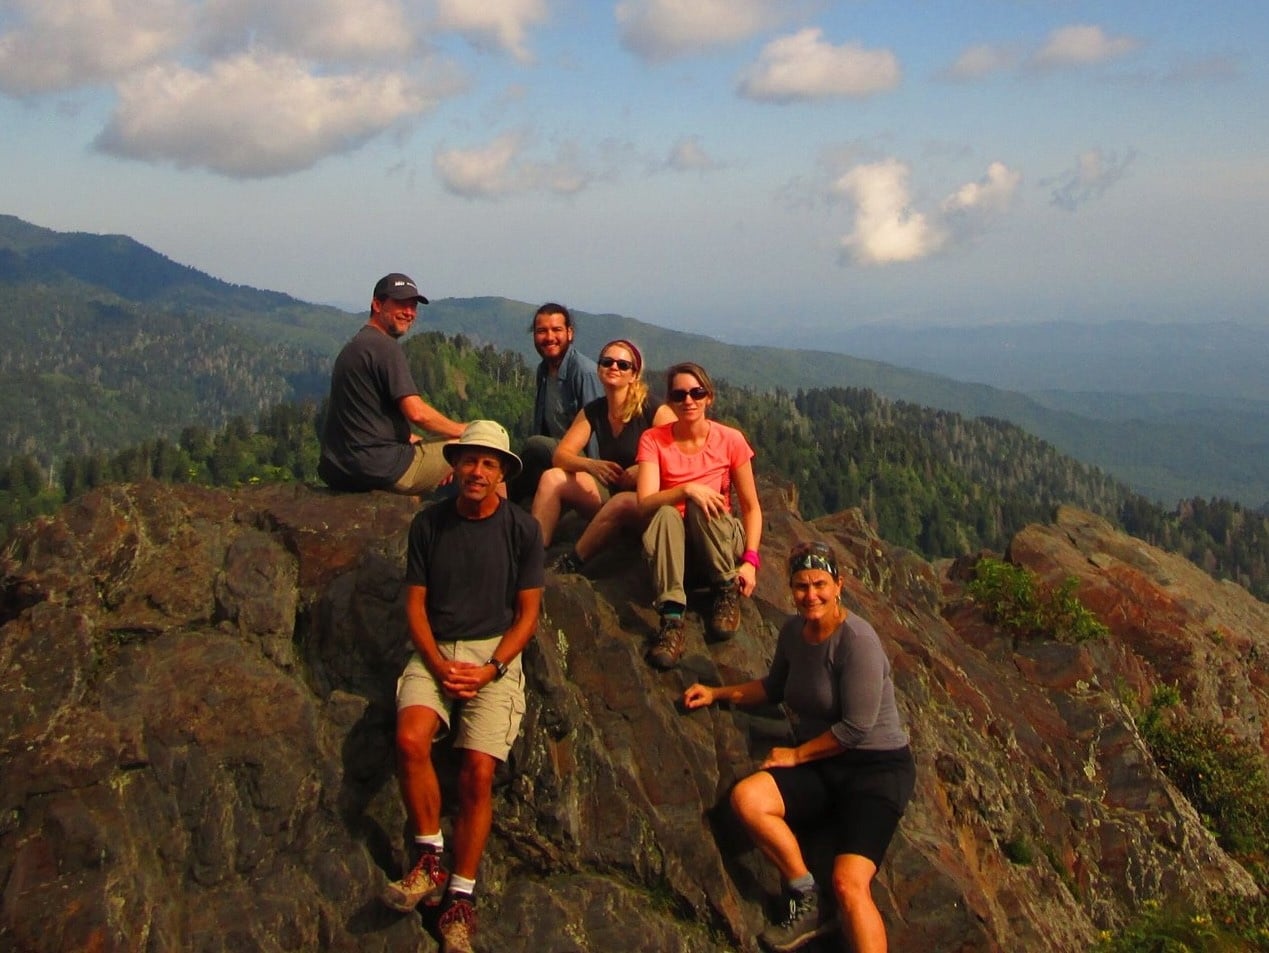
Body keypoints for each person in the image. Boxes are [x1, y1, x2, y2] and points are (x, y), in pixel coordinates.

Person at [683, 540, 916, 953]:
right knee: (748, 800)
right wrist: (717, 693)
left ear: (839, 585)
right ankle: (804, 893)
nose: (811, 596)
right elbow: (773, 688)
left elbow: (857, 728)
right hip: (824, 766)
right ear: (791, 589)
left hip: (875, 772)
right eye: (802, 586)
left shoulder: (858, 641)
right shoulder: (793, 632)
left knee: (848, 883)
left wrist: (794, 755)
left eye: (820, 585)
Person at [381, 420, 544, 953]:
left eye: (488, 464)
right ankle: (429, 857)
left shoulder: (521, 530)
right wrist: (436, 662)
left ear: (501, 475)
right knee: (410, 739)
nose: (477, 471)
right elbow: (415, 604)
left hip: (493, 655)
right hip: (436, 651)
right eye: (469, 461)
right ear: (455, 465)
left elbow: (528, 615)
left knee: (477, 771)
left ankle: (461, 897)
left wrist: (491, 669)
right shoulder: (429, 525)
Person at [635, 362, 762, 669]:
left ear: (709, 397)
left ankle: (725, 590)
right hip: (677, 550)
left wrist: (750, 562)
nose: (688, 400)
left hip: (718, 539)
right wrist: (686, 490)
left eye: (696, 392)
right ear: (670, 401)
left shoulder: (730, 440)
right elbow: (644, 504)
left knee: (701, 504)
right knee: (665, 512)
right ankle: (672, 618)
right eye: (679, 395)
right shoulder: (653, 440)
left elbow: (751, 507)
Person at [531, 339, 676, 573]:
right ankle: (534, 555)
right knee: (553, 478)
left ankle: (572, 563)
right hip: (611, 495)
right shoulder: (595, 410)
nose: (613, 367)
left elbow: (684, 454)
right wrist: (590, 465)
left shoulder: (653, 410)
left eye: (622, 364)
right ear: (598, 368)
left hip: (649, 503)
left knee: (621, 503)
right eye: (607, 362)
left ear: (634, 374)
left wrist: (644, 469)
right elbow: (561, 456)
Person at [318, 273, 466, 493]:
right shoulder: (385, 347)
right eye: (401, 304)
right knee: (487, 447)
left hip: (340, 469)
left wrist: (412, 440)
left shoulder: (356, 347)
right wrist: (464, 431)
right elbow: (417, 414)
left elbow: (364, 420)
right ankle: (505, 522)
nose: (409, 312)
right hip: (380, 469)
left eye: (413, 306)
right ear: (377, 305)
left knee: (446, 452)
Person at [508, 303, 602, 504]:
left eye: (556, 330)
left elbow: (596, 434)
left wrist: (596, 481)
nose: (549, 337)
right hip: (554, 460)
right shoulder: (543, 371)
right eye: (542, 331)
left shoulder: (584, 373)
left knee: (535, 445)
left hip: (580, 460)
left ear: (570, 333)